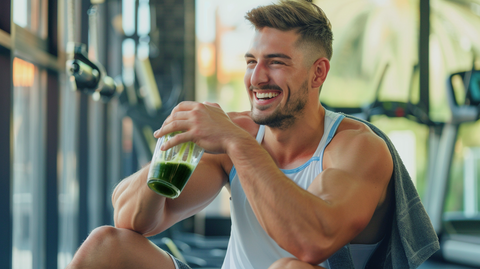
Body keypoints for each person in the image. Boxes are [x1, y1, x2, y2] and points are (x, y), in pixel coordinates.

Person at [67, 0, 439, 268]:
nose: (257, 77)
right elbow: (134, 222)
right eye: (251, 62)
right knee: (106, 245)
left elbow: (312, 242)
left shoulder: (357, 148)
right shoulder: (239, 133)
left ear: (318, 73)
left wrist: (237, 142)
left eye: (275, 63)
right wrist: (170, 148)